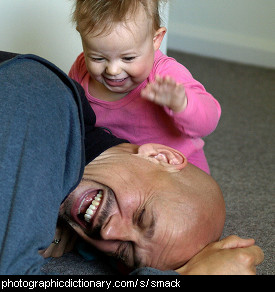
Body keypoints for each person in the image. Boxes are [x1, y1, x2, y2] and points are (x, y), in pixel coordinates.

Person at [0, 52, 263, 275]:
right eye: (142, 216)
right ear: (159, 156)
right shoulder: (44, 101)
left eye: (125, 253)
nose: (109, 233)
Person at [69, 0, 221, 175]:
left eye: (128, 58)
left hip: (176, 165)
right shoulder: (81, 70)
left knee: (189, 200)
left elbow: (209, 122)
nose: (113, 70)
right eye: (98, 58)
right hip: (122, 165)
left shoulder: (165, 75)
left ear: (155, 39)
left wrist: (182, 103)